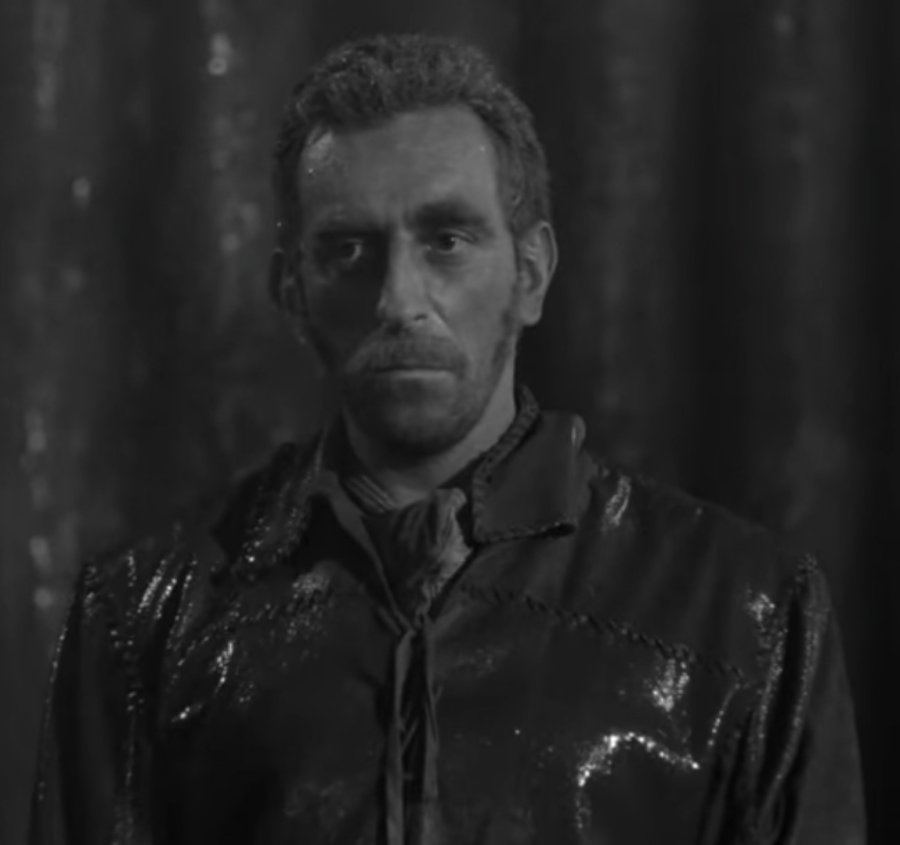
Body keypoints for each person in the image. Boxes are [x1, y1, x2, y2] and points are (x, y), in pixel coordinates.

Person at [30, 33, 865, 845]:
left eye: (448, 241)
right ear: (291, 288)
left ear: (530, 273)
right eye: (348, 248)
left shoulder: (747, 612)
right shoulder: (142, 618)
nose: (399, 299)